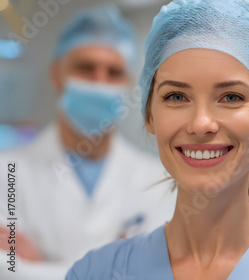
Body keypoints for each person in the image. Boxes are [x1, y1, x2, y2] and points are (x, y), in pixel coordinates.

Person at [65, 1, 249, 279]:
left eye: (231, 97)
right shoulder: (96, 272)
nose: (201, 123)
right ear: (149, 116)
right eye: (176, 96)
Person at [0, 4, 175, 279]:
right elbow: (6, 270)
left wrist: (39, 267)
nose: (100, 82)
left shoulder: (158, 181)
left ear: (128, 83)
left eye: (113, 72)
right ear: (57, 74)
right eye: (86, 68)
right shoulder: (7, 171)